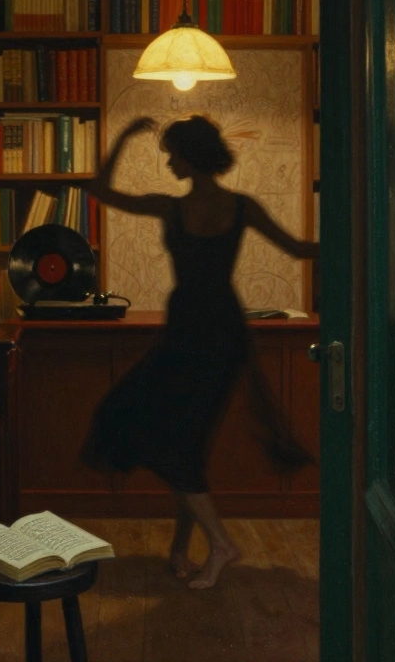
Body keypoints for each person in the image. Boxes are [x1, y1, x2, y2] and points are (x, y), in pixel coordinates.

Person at [78, 114, 319, 590]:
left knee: (153, 431)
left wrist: (124, 136)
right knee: (184, 442)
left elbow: (99, 189)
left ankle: (221, 544)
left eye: (173, 154)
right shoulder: (239, 206)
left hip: (195, 332)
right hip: (218, 334)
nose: (169, 162)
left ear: (190, 157)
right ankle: (179, 549)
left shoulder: (171, 209)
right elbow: (298, 248)